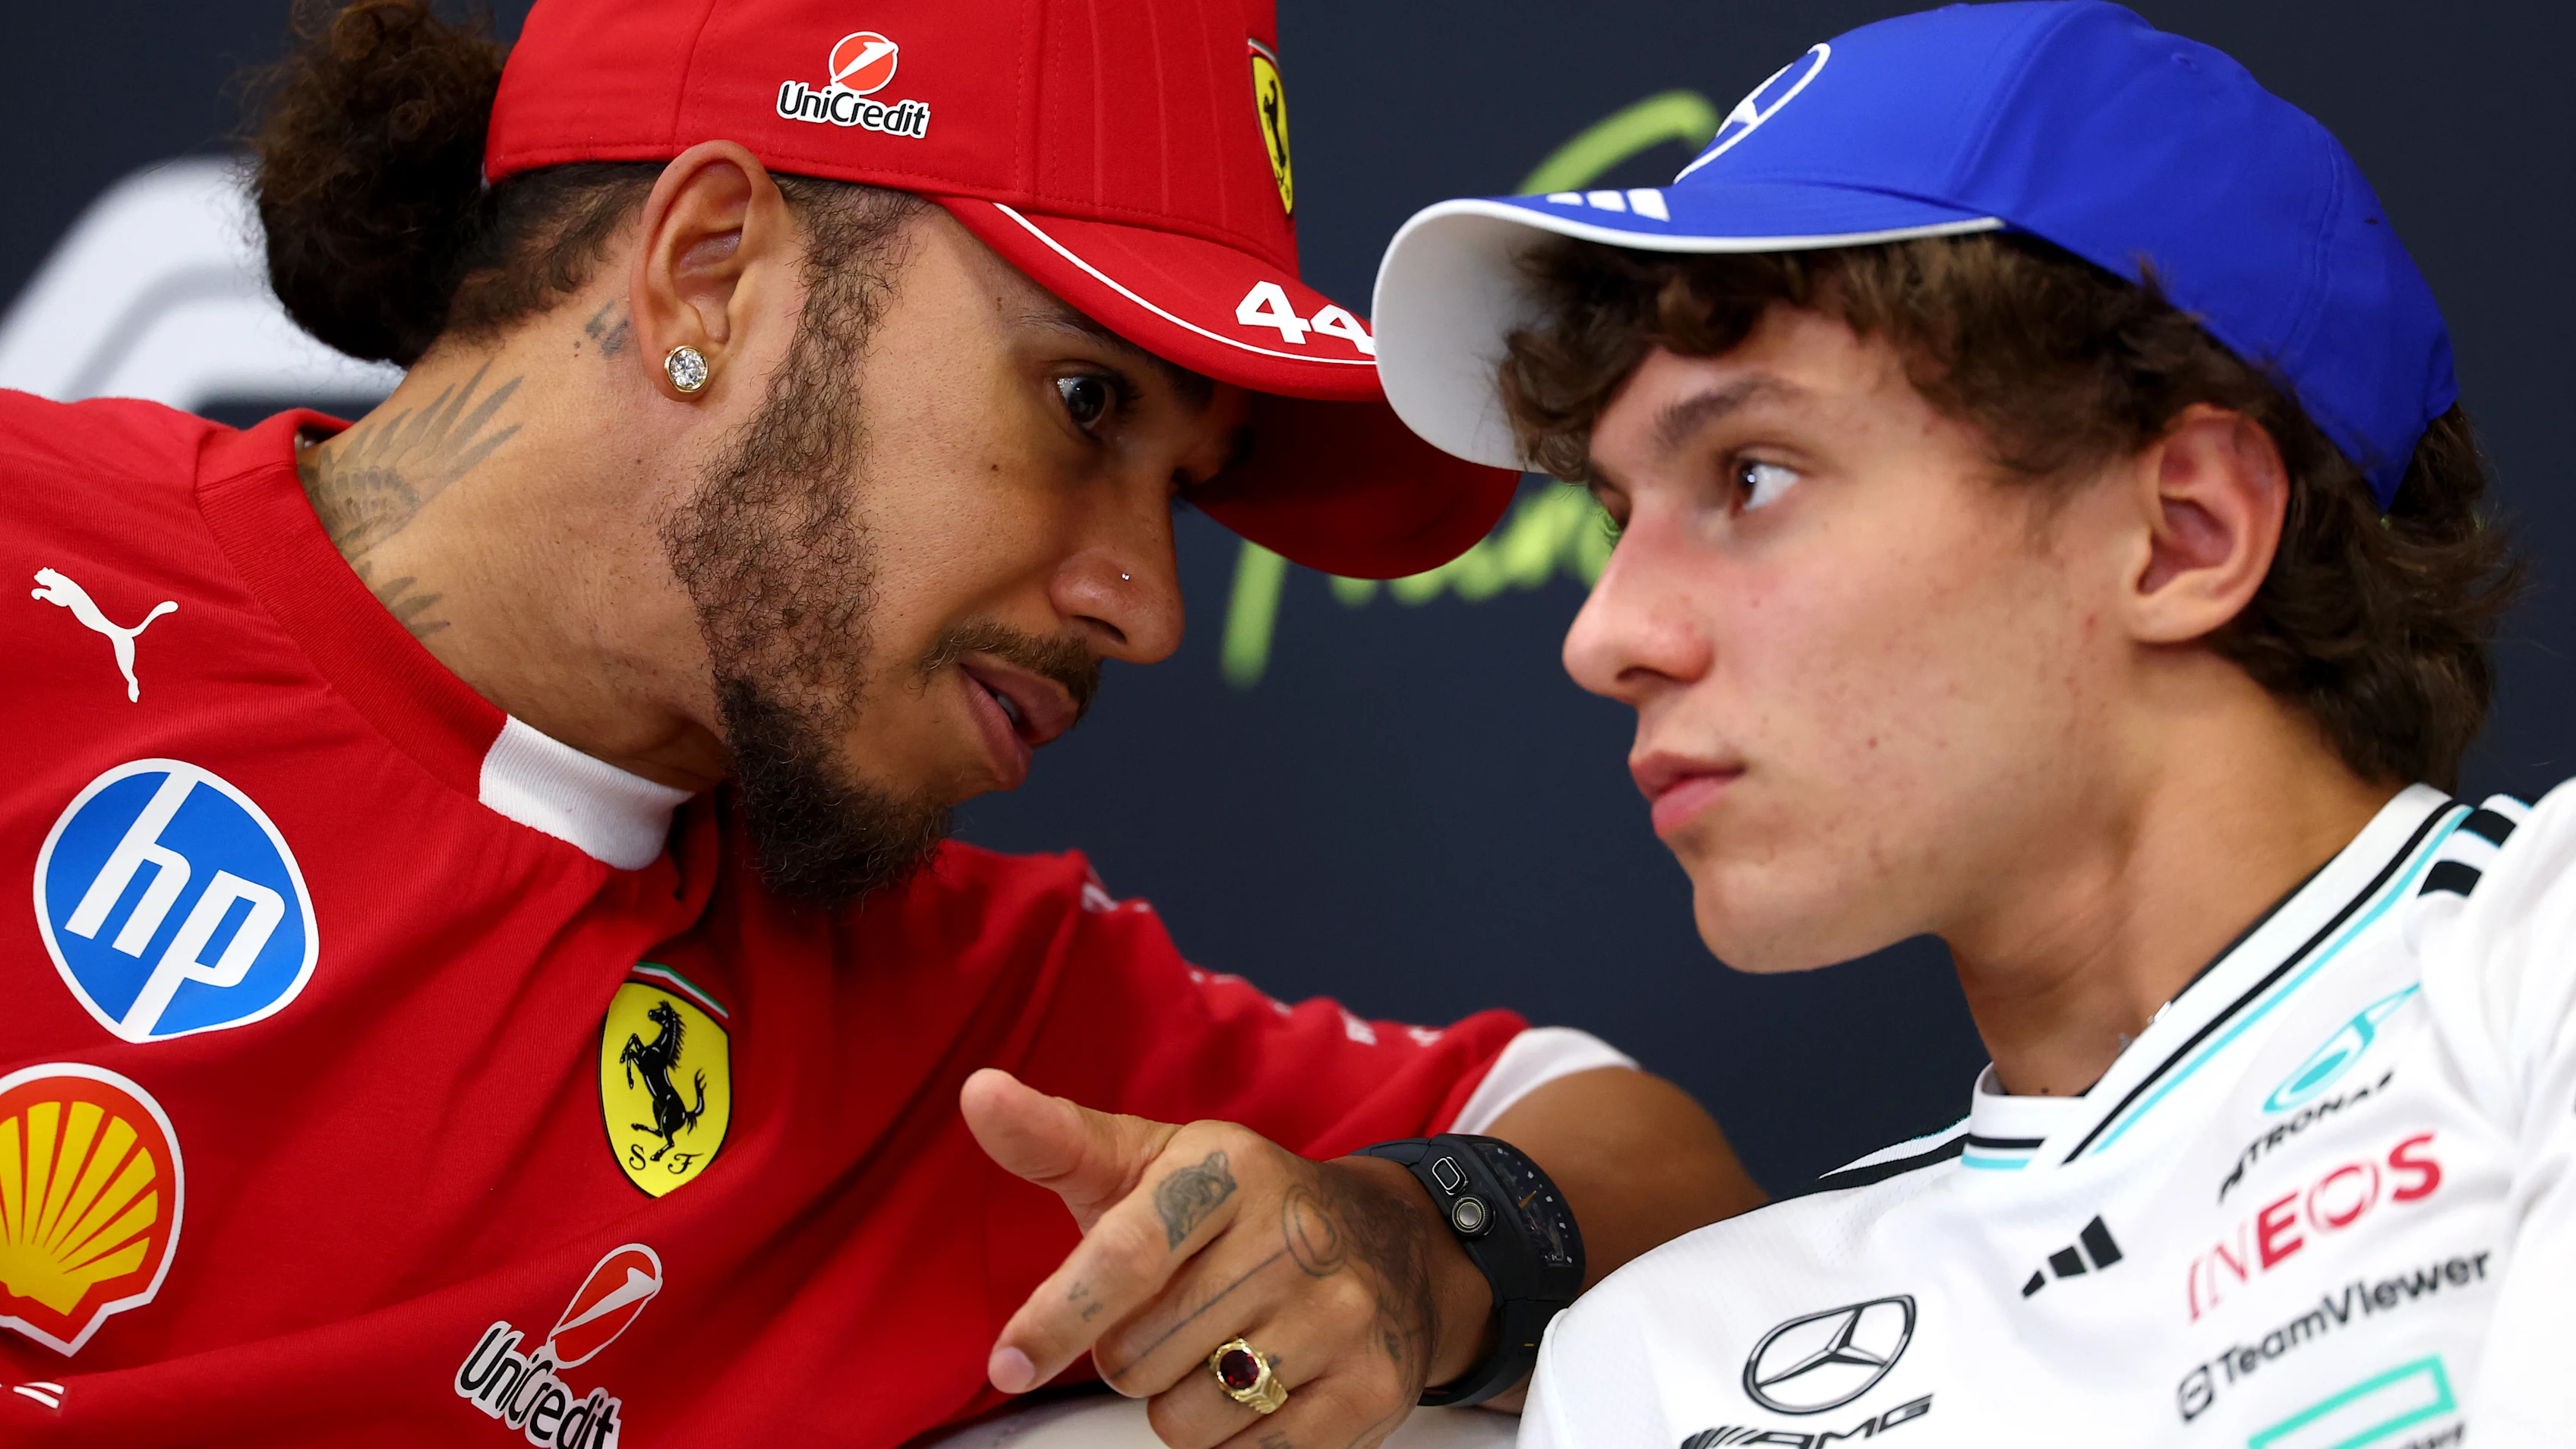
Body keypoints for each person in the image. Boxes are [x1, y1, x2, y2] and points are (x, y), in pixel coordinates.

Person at [0, 0, 1767, 1443]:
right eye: (1085, 402)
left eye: (1190, 488)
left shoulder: (965, 1029)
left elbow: (1638, 1153)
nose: (1145, 607)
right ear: (705, 271)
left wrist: (1408, 1238)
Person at [1368, 2, 2568, 1444]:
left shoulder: (2535, 977)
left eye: (1750, 477)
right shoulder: (1664, 1355)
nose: (1604, 636)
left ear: (2183, 531)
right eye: (1618, 519)